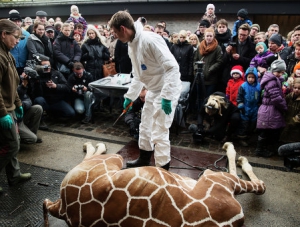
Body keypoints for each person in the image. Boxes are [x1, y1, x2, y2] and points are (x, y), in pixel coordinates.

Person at [109, 10, 182, 170]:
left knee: (160, 130)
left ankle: (163, 169)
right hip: (153, 89)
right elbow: (137, 75)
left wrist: (167, 97)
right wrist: (130, 96)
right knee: (146, 125)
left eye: (115, 32)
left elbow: (172, 68)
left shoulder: (150, 40)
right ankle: (144, 158)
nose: (114, 36)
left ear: (123, 28)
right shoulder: (132, 45)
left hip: (166, 89)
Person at [0, 19, 31, 193]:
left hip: (9, 107)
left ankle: (14, 175)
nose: (18, 41)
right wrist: (2, 112)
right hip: (3, 109)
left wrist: (18, 103)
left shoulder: (7, 54)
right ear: (4, 34)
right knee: (11, 144)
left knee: (12, 142)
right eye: (16, 37)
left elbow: (12, 82)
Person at [255, 59, 287, 157]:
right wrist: (284, 107)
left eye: (282, 73)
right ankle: (260, 149)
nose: (280, 74)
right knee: (266, 130)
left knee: (269, 130)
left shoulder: (274, 80)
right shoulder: (271, 82)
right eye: (278, 72)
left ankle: (267, 148)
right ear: (273, 71)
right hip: (270, 110)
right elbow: (276, 98)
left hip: (270, 109)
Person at [194, 27, 223, 104]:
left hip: (211, 78)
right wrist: (197, 69)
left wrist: (210, 70)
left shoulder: (217, 48)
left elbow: (219, 61)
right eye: (207, 36)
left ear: (213, 37)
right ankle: (199, 113)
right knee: (199, 98)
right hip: (199, 77)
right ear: (204, 36)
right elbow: (195, 60)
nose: (209, 38)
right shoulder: (200, 47)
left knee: (208, 98)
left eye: (210, 36)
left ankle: (206, 114)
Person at [236, 67, 261, 146]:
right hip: (246, 107)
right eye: (249, 77)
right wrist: (241, 105)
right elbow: (239, 97)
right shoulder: (243, 86)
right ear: (246, 77)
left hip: (255, 108)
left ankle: (249, 137)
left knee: (252, 124)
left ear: (256, 77)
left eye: (253, 77)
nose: (251, 79)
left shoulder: (259, 86)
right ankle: (241, 138)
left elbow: (260, 97)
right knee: (244, 124)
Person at [17, 72, 43, 144]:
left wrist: (21, 105)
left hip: (20, 115)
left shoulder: (20, 86)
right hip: (13, 118)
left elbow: (28, 100)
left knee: (38, 108)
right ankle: (20, 138)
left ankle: (30, 133)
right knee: (32, 139)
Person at [9, 9, 30, 75]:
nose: (17, 23)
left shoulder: (27, 34)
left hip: (24, 65)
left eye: (19, 21)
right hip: (11, 65)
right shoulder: (6, 34)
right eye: (15, 21)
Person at [279, 78, 300, 143]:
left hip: (296, 124)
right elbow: (283, 105)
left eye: (299, 88)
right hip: (286, 120)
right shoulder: (289, 96)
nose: (297, 90)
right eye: (295, 87)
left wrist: (292, 121)